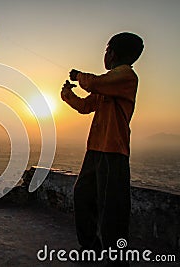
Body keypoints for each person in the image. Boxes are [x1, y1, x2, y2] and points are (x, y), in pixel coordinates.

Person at [61, 32, 144, 266]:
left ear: (113, 53)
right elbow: (86, 106)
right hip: (95, 149)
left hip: (113, 151)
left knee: (112, 209)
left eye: (106, 50)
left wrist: (78, 76)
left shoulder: (126, 76)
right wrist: (68, 95)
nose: (105, 55)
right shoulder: (109, 85)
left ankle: (117, 259)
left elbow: (95, 83)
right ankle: (91, 247)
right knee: (83, 197)